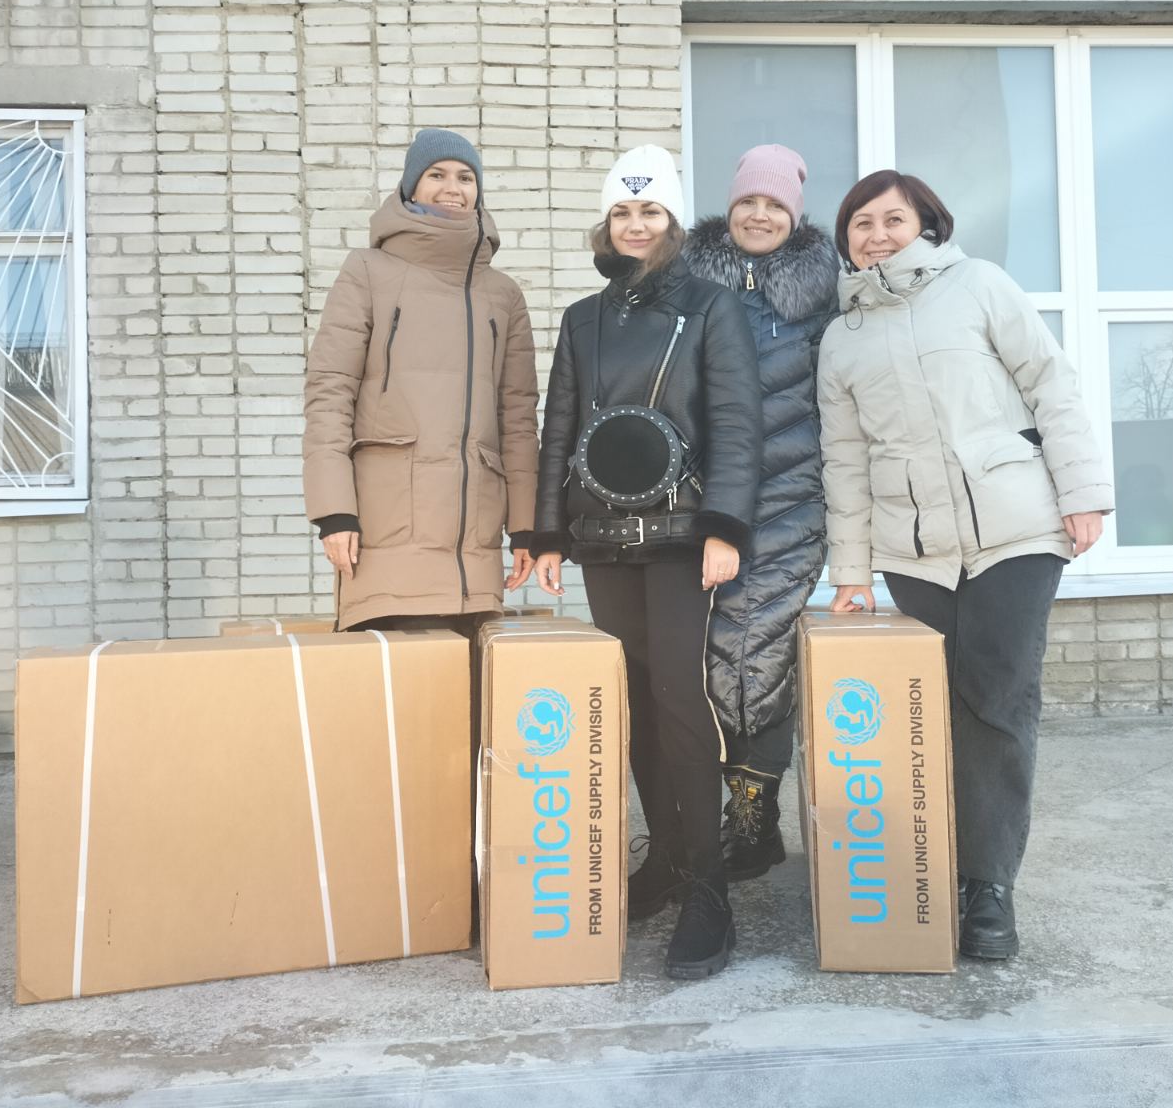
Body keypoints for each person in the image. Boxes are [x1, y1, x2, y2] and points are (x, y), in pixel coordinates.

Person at [817, 170, 1113, 960]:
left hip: (1016, 529)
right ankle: (934, 867)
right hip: (914, 548)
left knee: (998, 698)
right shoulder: (842, 337)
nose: (877, 235)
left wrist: (1083, 492)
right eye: (860, 224)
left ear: (927, 224)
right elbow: (845, 461)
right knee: (932, 710)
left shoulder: (980, 285)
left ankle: (989, 889)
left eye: (893, 219)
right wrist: (852, 572)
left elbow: (1051, 384)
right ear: (845, 240)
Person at [531, 145, 763, 980]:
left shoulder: (711, 307)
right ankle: (664, 857)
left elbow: (736, 421)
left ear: (672, 220)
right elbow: (558, 427)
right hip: (602, 537)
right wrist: (546, 534)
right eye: (623, 212)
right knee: (632, 697)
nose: (636, 225)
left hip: (681, 537)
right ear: (609, 221)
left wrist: (725, 525)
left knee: (677, 695)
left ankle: (708, 887)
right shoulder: (582, 319)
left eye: (651, 211)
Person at [302, 127, 540, 635]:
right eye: (437, 175)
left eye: (465, 177)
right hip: (384, 529)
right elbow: (330, 393)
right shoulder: (367, 271)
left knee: (470, 681)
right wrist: (334, 513)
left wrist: (525, 526)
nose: (452, 187)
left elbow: (518, 417)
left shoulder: (502, 294)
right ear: (412, 185)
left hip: (473, 541)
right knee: (393, 679)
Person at [682, 144, 838, 881]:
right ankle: (718, 813)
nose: (760, 214)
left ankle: (753, 817)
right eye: (749, 201)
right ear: (730, 206)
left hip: (791, 504)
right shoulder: (689, 284)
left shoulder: (823, 296)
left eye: (775, 205)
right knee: (706, 660)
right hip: (705, 504)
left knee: (763, 657)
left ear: (794, 217)